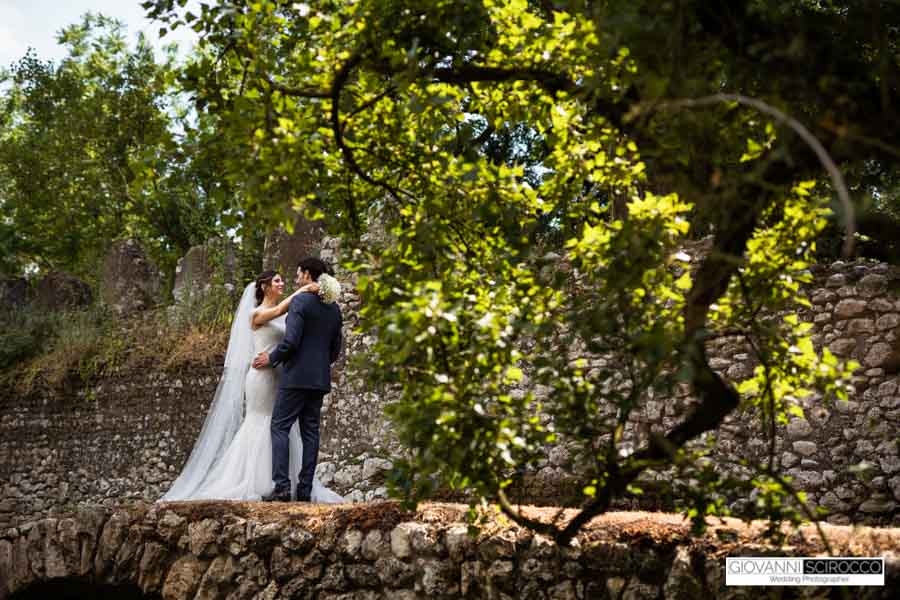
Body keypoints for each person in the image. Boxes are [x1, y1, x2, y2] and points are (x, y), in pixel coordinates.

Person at [160, 269, 343, 502]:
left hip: (282, 376)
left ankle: (283, 482)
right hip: (262, 376)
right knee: (263, 420)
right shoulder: (256, 313)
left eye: (283, 279)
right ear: (264, 286)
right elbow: (277, 311)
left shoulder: (285, 316)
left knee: (279, 426)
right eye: (277, 280)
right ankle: (259, 480)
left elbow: (292, 338)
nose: (282, 283)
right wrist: (304, 290)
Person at [251, 257, 343, 502]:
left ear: (308, 275)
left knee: (279, 426)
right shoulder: (334, 308)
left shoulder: (300, 302)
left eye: (299, 273)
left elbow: (290, 342)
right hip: (319, 379)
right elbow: (335, 350)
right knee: (310, 433)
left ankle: (282, 487)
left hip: (295, 377)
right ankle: (304, 490)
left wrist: (271, 358)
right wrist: (320, 365)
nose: (296, 277)